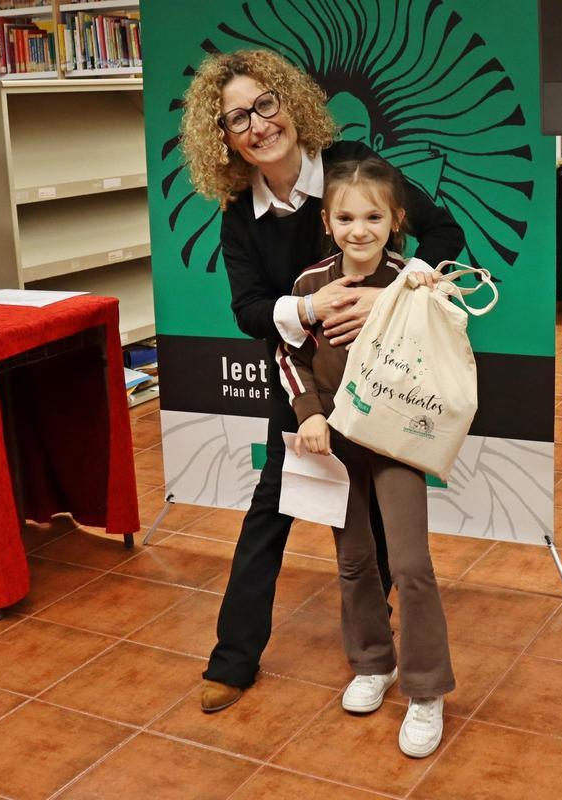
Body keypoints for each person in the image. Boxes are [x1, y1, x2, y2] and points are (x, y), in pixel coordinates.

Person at [178, 49, 465, 713]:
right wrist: (308, 309)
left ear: (289, 102)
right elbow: (251, 312)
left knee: (385, 528)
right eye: (236, 119)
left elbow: (441, 230)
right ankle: (234, 659)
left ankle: (380, 652)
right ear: (221, 138)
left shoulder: (348, 164)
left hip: (389, 380)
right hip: (304, 383)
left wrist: (392, 300)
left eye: (265, 104)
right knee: (273, 508)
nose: (257, 125)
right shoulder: (236, 214)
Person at [282, 157, 456, 757]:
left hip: (396, 440)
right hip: (336, 443)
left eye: (374, 216)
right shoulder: (311, 287)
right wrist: (307, 411)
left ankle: (426, 690)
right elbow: (289, 356)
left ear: (396, 220)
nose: (360, 229)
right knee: (355, 560)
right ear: (328, 222)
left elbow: (436, 354)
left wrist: (425, 290)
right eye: (347, 216)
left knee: (409, 564)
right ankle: (372, 662)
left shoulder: (413, 281)